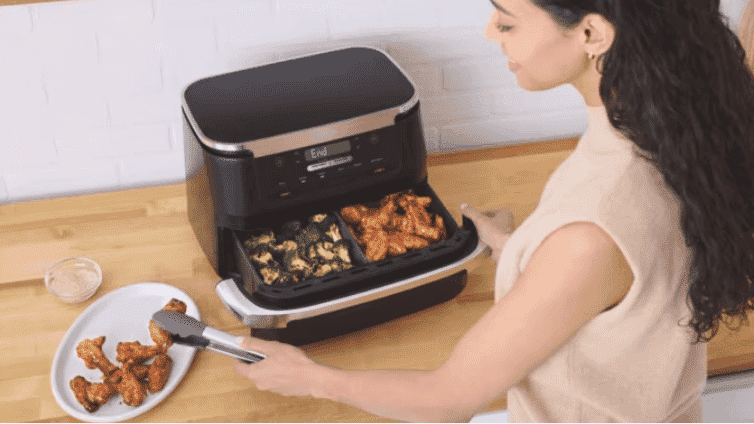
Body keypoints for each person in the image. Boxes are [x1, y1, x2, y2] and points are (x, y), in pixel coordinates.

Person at [233, 0, 754, 421]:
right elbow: (632, 274)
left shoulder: (587, 237)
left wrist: (309, 378)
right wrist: (522, 252)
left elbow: (446, 400)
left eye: (506, 20)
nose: (490, 32)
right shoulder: (689, 128)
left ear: (593, 34)